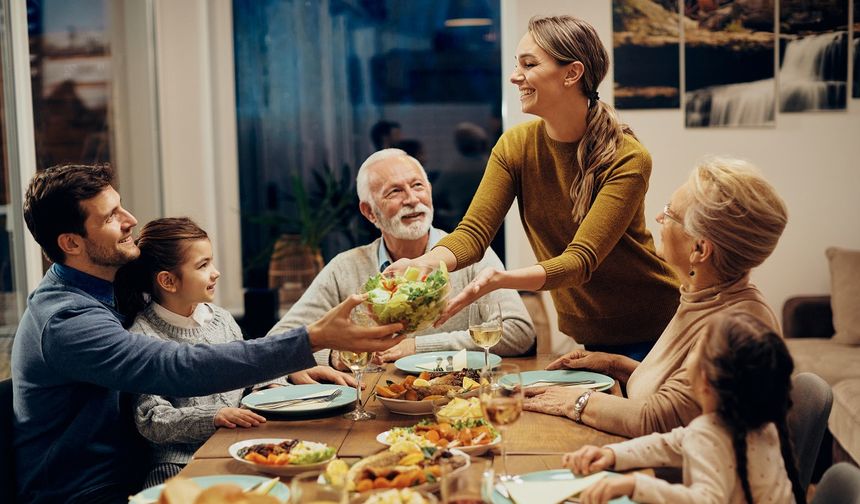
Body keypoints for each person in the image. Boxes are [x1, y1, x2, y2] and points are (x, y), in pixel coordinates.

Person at [12, 164, 403, 504]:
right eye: (112, 216)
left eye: (122, 205)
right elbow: (176, 365)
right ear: (71, 243)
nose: (130, 219)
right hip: (88, 494)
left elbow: (207, 345)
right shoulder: (66, 321)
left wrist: (285, 371)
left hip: (129, 475)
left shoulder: (106, 292)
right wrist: (309, 340)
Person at [387, 15, 680, 361]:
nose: (515, 76)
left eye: (529, 64)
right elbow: (474, 233)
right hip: (591, 330)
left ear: (572, 73)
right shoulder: (516, 145)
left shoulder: (628, 157)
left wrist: (501, 279)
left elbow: (580, 261)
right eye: (517, 64)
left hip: (657, 327)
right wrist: (429, 261)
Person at [523, 157, 788, 437]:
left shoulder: (737, 329)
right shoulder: (705, 297)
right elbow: (683, 395)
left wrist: (572, 401)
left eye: (670, 213)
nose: (660, 218)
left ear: (699, 250)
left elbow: (658, 419)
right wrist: (613, 363)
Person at [114, 218, 354, 487]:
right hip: (180, 465)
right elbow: (152, 419)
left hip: (241, 447)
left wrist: (269, 386)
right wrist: (214, 417)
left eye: (211, 262)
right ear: (168, 281)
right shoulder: (141, 336)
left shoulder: (221, 319)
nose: (215, 272)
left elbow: (249, 371)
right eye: (203, 265)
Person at [269, 149, 535, 366]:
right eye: (394, 191)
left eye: (418, 186)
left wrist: (416, 346)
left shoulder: (471, 255)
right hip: (373, 408)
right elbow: (279, 343)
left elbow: (519, 332)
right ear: (369, 212)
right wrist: (332, 356)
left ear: (430, 192)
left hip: (460, 400)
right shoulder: (345, 268)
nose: (412, 199)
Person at [563, 312, 804, 504]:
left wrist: (636, 485)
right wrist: (613, 454)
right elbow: (672, 443)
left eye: (694, 353)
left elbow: (705, 500)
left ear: (706, 381)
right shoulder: (759, 423)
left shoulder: (710, 433)